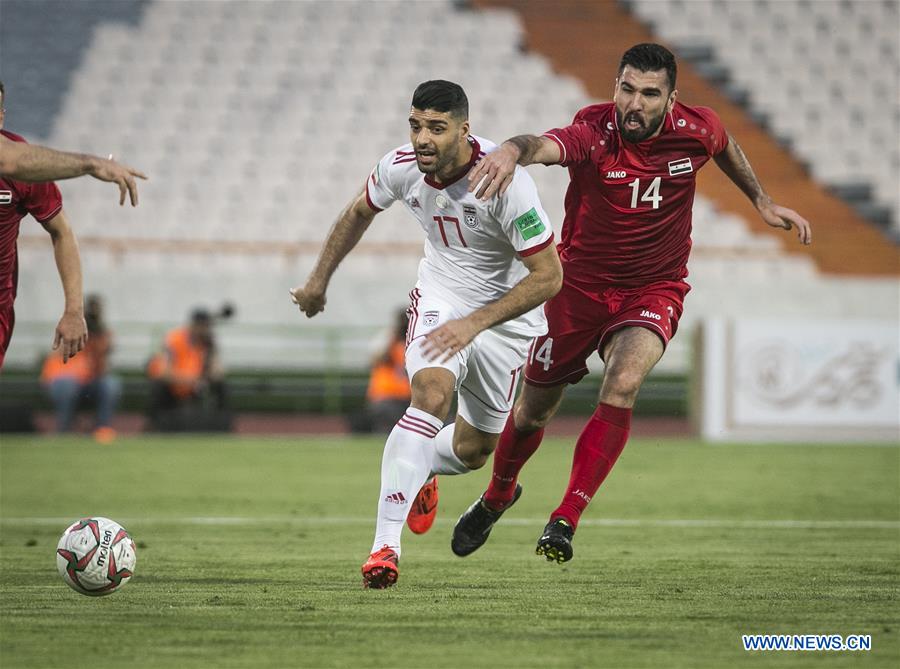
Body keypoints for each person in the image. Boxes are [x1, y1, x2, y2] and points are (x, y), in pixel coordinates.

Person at [453, 43, 813, 564]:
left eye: (649, 94)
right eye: (627, 89)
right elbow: (545, 145)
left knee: (622, 384)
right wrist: (510, 149)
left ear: (671, 100)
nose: (634, 104)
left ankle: (565, 519)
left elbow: (726, 143)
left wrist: (760, 199)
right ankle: (498, 495)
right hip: (576, 288)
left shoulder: (697, 128)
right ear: (613, 88)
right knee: (532, 412)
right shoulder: (593, 131)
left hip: (654, 286)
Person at [291, 80, 563, 589]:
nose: (422, 138)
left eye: (436, 128)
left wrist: (476, 324)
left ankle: (422, 471)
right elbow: (357, 212)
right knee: (430, 396)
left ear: (464, 129)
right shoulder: (398, 166)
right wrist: (317, 282)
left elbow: (549, 277)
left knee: (474, 451)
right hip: (441, 300)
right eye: (416, 125)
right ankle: (384, 549)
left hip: (504, 323)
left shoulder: (505, 183)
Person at [0, 81, 89, 371]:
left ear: (1, 116)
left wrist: (74, 310)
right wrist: (92, 165)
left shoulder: (23, 167)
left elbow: (61, 231)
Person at [0, 88, 145, 206]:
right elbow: (14, 161)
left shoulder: (22, 155)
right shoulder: (16, 158)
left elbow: (62, 232)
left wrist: (91, 164)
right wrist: (91, 164)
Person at [40, 294, 121, 442]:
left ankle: (102, 429)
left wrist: (102, 343)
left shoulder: (100, 335)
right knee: (67, 385)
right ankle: (64, 431)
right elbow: (57, 356)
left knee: (110, 384)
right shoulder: (70, 328)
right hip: (63, 380)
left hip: (87, 382)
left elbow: (101, 369)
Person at [146, 308, 227, 427]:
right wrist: (192, 380)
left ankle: (221, 425)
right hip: (173, 385)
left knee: (221, 386)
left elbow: (218, 372)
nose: (204, 329)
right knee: (158, 387)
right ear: (193, 325)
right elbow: (165, 373)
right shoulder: (175, 338)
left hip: (195, 386)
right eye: (202, 326)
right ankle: (154, 426)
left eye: (206, 326)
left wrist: (209, 374)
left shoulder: (208, 343)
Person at [350, 308, 413, 434]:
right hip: (386, 398)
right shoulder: (387, 339)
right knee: (388, 421)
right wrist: (392, 338)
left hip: (409, 398)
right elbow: (375, 359)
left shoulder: (415, 342)